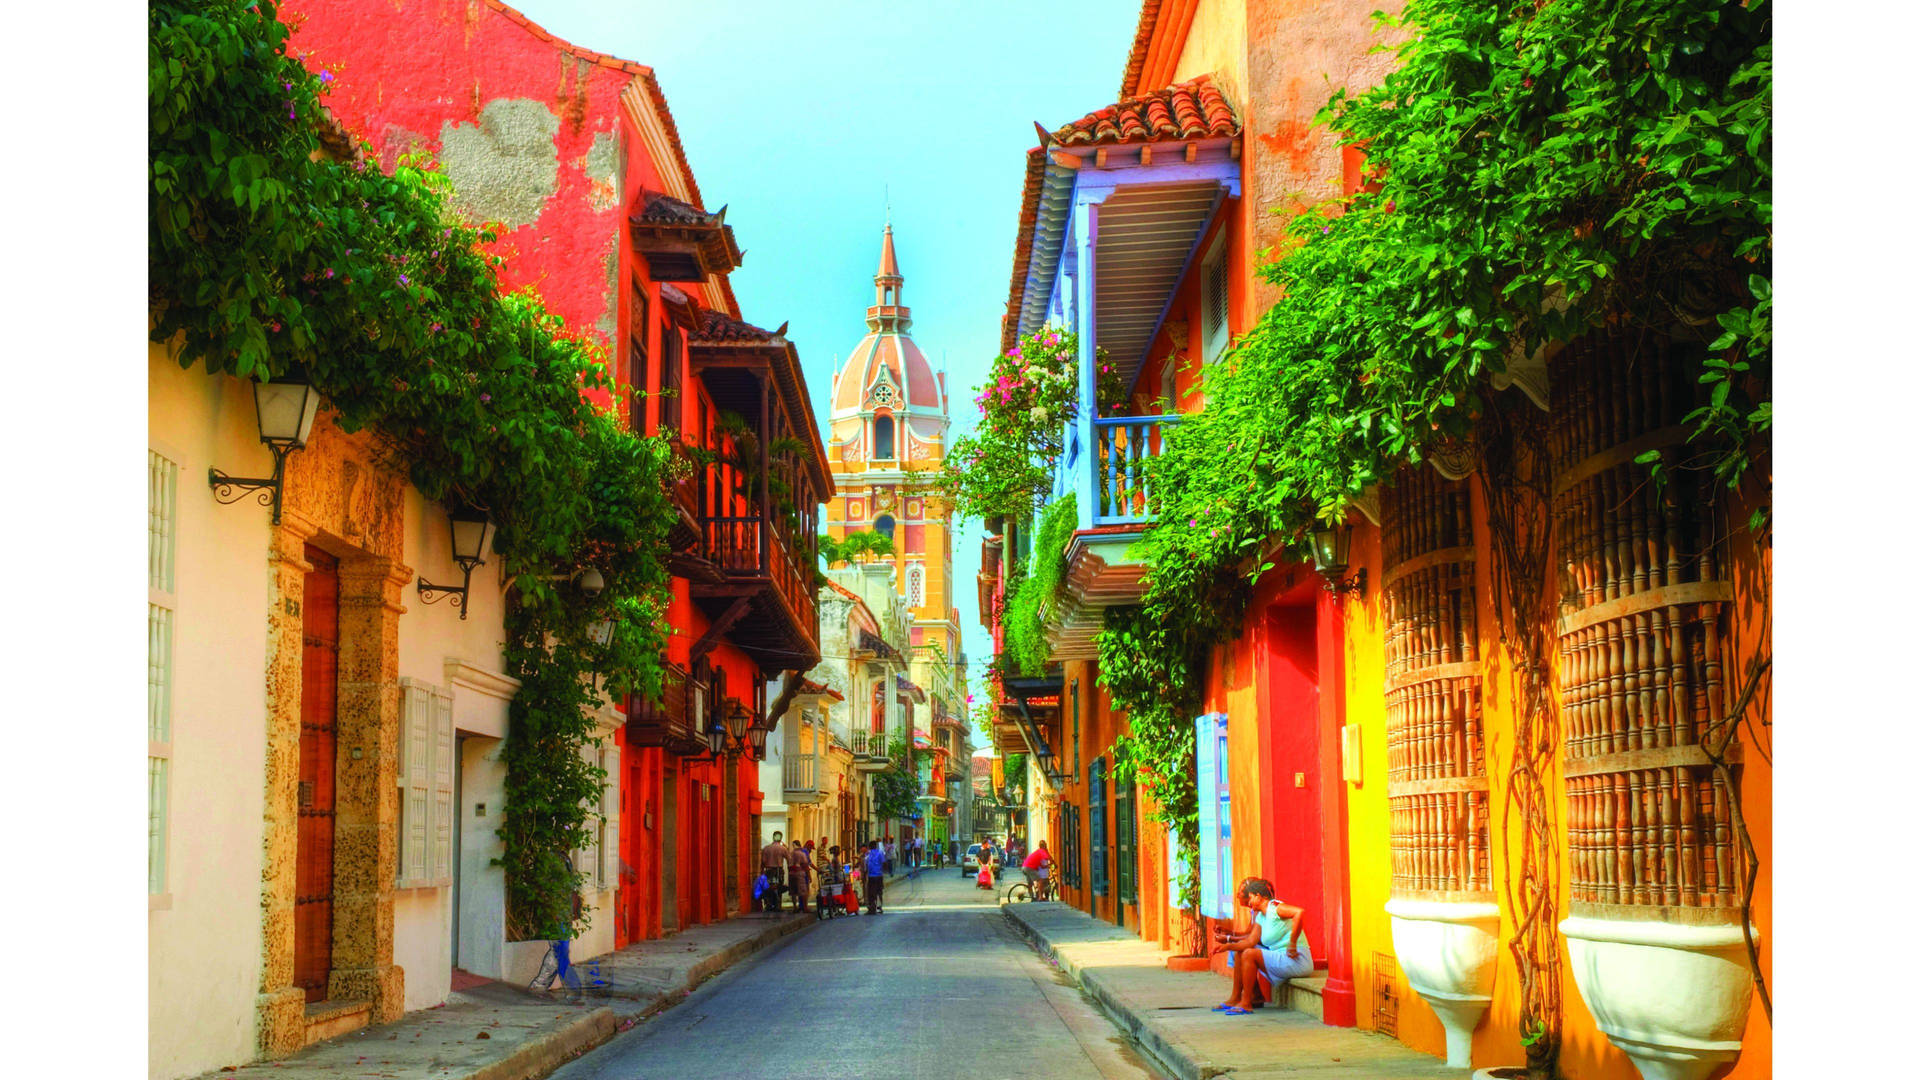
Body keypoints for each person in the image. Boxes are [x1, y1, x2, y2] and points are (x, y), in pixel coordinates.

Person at [1210, 877, 1312, 1015]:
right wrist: (1227, 946)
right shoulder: (1261, 917)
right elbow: (1250, 942)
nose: (1249, 902)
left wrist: (1292, 943)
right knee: (1243, 950)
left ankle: (1246, 1003)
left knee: (1249, 953)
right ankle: (1237, 998)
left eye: (1250, 898)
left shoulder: (1275, 907)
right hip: (1281, 957)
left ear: (1258, 896)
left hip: (1297, 960)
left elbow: (1299, 912)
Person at [760, 832, 789, 911]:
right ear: (781, 838)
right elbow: (789, 859)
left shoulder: (766, 848)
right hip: (778, 870)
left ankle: (768, 904)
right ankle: (778, 906)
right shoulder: (782, 848)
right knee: (778, 888)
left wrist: (762, 872)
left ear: (773, 837)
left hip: (768, 870)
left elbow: (763, 861)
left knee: (768, 887)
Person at [788, 838, 814, 914]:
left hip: (791, 873)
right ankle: (805, 908)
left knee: (793, 892)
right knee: (803, 891)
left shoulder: (791, 853)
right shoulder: (802, 853)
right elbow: (806, 865)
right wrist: (809, 876)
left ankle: (795, 907)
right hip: (800, 873)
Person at [863, 840, 887, 913]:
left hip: (871, 876)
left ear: (869, 847)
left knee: (871, 892)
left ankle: (872, 906)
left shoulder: (868, 855)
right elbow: (884, 863)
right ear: (876, 846)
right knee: (879, 891)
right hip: (879, 875)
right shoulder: (880, 853)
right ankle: (880, 906)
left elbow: (866, 866)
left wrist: (864, 875)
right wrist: (883, 871)